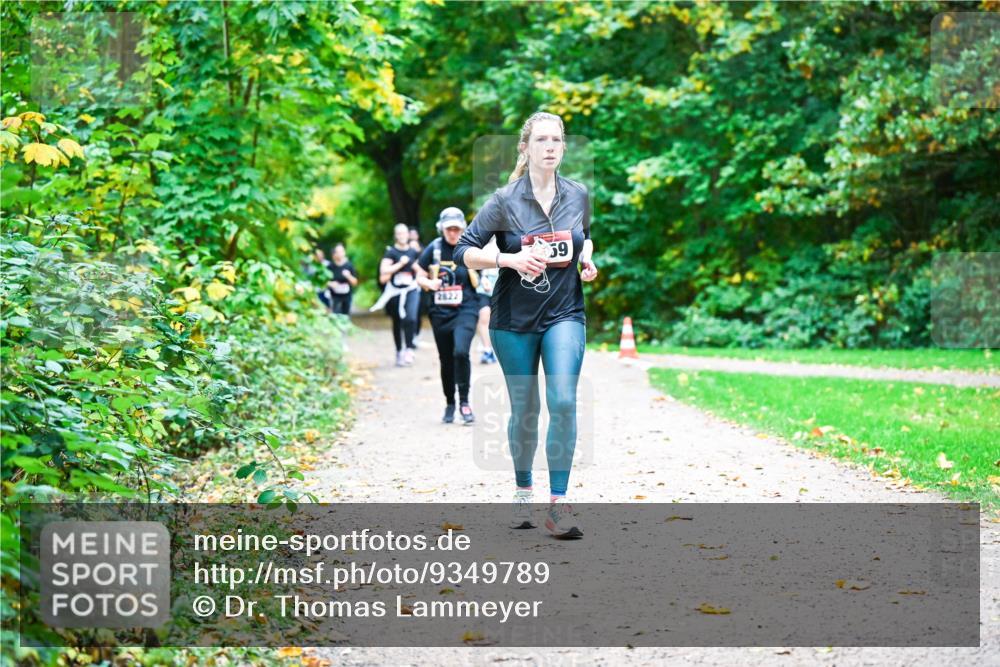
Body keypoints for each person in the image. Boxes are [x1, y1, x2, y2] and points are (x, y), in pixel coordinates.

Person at [453, 111, 598, 539]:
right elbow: (464, 249)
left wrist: (587, 259)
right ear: (525, 148)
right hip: (513, 319)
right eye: (541, 140)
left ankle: (558, 504)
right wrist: (508, 259)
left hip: (564, 312)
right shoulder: (504, 200)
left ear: (563, 147)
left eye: (556, 140)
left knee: (564, 400)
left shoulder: (578, 194)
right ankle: (522, 491)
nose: (549, 147)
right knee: (526, 409)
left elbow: (585, 236)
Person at [415, 208, 481, 425]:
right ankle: (450, 402)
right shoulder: (434, 248)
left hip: (466, 308)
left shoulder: (470, 247)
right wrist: (428, 282)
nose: (453, 233)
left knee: (461, 352)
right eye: (449, 229)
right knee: (446, 358)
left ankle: (464, 402)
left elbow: (487, 270)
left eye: (456, 229)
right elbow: (419, 274)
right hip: (440, 312)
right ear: (441, 229)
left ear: (463, 229)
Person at [370, 223, 421, 366]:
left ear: (408, 235)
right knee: (397, 322)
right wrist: (400, 264)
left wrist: (417, 267)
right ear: (395, 236)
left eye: (404, 233)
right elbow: (384, 271)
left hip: (411, 289)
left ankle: (409, 349)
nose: (402, 236)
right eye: (399, 233)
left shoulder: (413, 252)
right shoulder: (391, 252)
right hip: (394, 291)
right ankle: (399, 351)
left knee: (411, 318)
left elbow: (421, 269)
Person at [475, 238, 499, 364]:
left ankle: (496, 349)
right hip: (485, 286)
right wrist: (483, 278)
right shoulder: (484, 246)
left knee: (498, 321)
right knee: (483, 316)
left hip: (501, 286)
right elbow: (477, 266)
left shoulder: (510, 242)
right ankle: (487, 350)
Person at [327, 243, 357, 317]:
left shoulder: (349, 265)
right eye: (338, 252)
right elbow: (324, 281)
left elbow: (355, 282)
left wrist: (349, 276)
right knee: (335, 314)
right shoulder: (330, 267)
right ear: (334, 254)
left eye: (342, 251)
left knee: (346, 315)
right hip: (334, 296)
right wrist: (331, 284)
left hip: (347, 295)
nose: (341, 253)